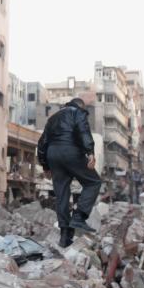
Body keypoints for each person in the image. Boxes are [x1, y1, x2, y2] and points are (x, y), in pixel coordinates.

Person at [37, 98, 103, 247]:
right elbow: (83, 130)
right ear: (80, 107)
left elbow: (42, 142)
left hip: (53, 155)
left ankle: (65, 236)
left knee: (62, 195)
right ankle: (79, 217)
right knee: (93, 182)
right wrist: (90, 151)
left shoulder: (52, 118)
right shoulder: (77, 113)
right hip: (71, 151)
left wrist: (45, 165)